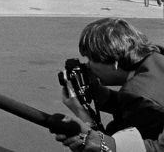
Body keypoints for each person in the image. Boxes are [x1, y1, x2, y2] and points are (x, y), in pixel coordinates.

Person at [55, 18, 164, 147]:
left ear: (115, 62)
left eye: (91, 60)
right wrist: (100, 94)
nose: (88, 66)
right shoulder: (156, 56)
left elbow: (111, 145)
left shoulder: (139, 95)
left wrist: (81, 112)